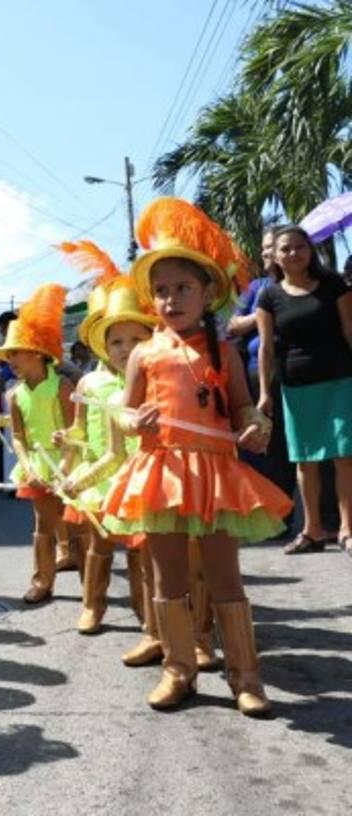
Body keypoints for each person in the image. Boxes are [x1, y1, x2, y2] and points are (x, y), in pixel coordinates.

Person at [104, 197, 291, 717]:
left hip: (213, 473)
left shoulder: (223, 350)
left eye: (182, 288)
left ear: (207, 292)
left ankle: (245, 677)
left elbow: (241, 407)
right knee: (168, 579)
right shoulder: (144, 353)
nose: (170, 299)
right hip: (161, 471)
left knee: (224, 577)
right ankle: (178, 670)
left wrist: (255, 424)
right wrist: (130, 421)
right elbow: (123, 411)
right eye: (160, 291)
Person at [59, 275, 157, 635]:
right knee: (99, 546)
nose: (125, 348)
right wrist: (66, 437)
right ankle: (92, 607)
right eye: (115, 341)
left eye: (135, 339)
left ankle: (145, 612)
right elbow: (81, 430)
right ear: (101, 345)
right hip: (101, 479)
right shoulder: (88, 384)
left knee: (140, 551)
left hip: (143, 479)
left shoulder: (154, 378)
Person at [256, 225, 352, 555]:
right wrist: (265, 393)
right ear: (275, 256)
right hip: (296, 388)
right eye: (285, 249)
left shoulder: (333, 286)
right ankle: (312, 530)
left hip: (340, 381)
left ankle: (347, 528)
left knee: (344, 456)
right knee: (305, 461)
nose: (293, 253)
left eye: (300, 247)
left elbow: (350, 331)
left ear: (310, 251)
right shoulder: (268, 296)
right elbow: (265, 349)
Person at [0, 283, 74, 605]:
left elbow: (74, 431)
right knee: (43, 525)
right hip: (38, 468)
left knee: (78, 527)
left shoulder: (63, 386)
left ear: (39, 353)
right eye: (8, 353)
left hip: (70, 466)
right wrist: (27, 468)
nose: (10, 358)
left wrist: (66, 467)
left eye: (17, 351)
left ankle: (93, 596)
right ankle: (42, 582)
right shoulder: (15, 394)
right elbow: (19, 436)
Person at [227, 228, 296, 539]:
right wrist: (264, 313)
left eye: (274, 247)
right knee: (264, 449)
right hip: (258, 376)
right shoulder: (256, 288)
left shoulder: (305, 285)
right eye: (266, 247)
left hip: (298, 374)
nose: (269, 252)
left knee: (293, 448)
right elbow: (232, 326)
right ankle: (272, 519)